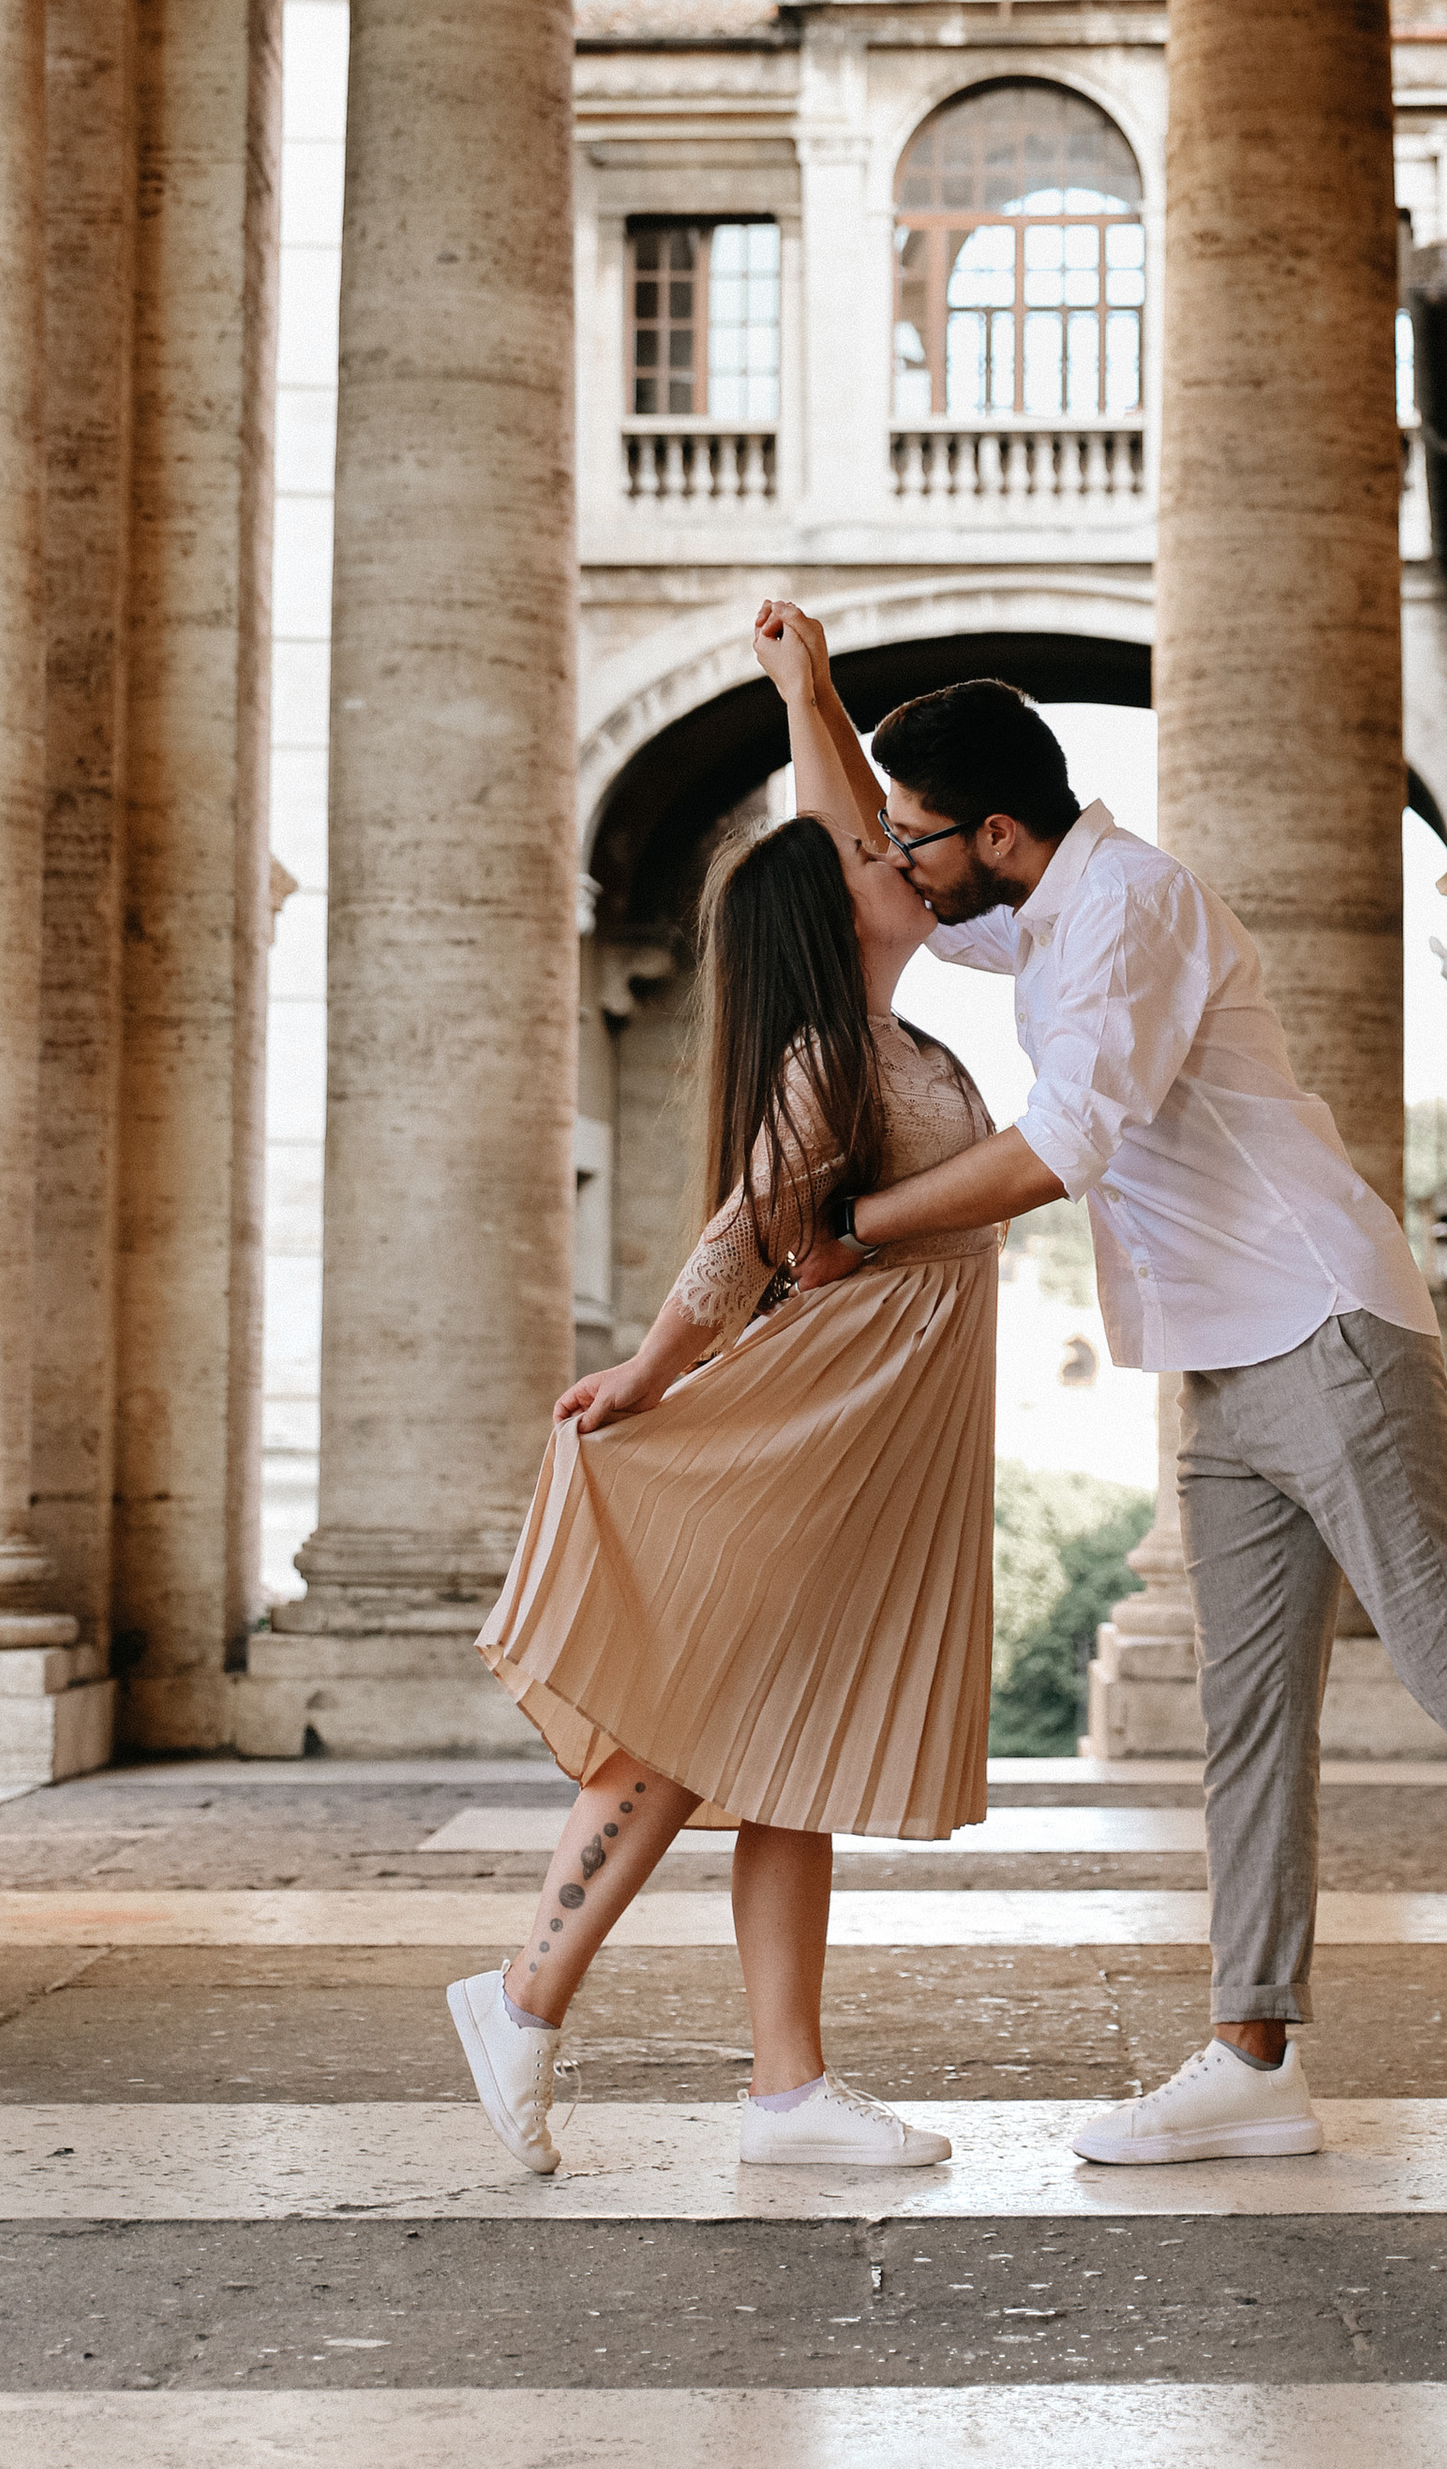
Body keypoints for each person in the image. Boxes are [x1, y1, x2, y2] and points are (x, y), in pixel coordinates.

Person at [765, 610, 1447, 2180]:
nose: (897, 860)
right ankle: (1251, 2056)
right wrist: (807, 694)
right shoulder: (1038, 902)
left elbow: (1059, 1148)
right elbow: (866, 852)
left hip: (1326, 1330)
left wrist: (852, 1230)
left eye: (919, 835)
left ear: (1001, 833)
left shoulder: (1133, 908)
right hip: (1227, 1362)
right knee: (1246, 1719)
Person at [446, 621, 1000, 2180]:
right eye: (874, 854)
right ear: (844, 909)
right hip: (815, 1426)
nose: (895, 851)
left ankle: (784, 2088)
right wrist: (646, 1372)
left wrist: (803, 693)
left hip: (869, 1432)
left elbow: (833, 828)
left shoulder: (895, 1025)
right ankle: (526, 1995)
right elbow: (747, 1227)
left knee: (784, 1741)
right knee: (695, 1726)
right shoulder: (836, 1051)